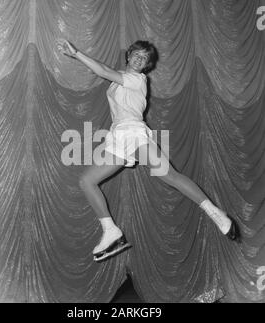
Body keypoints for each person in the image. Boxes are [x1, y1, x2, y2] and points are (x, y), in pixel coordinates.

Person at [58, 39, 240, 263]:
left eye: (145, 58)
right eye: (137, 54)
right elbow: (107, 73)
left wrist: (76, 53)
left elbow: (102, 70)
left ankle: (217, 214)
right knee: (87, 181)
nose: (140, 59)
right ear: (129, 56)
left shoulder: (137, 79)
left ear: (146, 66)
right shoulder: (119, 80)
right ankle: (110, 230)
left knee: (169, 176)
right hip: (119, 137)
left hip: (134, 133)